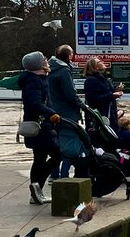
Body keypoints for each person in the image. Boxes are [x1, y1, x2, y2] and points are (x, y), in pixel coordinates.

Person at [18, 51, 60, 205]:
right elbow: (35, 103)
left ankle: (36, 192)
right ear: (38, 65)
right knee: (56, 154)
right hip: (40, 126)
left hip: (43, 124)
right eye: (43, 60)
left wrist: (53, 114)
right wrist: (51, 114)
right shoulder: (34, 81)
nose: (46, 61)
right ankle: (36, 190)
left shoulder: (39, 78)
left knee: (40, 159)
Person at [47, 44, 87, 178]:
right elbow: (70, 94)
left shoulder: (51, 68)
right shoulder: (64, 71)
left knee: (57, 145)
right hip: (67, 113)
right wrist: (83, 106)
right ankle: (64, 175)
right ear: (69, 56)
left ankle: (54, 174)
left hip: (53, 111)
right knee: (70, 144)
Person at [83, 55, 122, 129]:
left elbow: (106, 92)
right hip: (100, 117)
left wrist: (117, 90)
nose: (103, 62)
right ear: (95, 67)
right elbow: (93, 99)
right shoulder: (91, 80)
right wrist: (112, 95)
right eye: (99, 62)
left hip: (110, 114)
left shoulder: (104, 78)